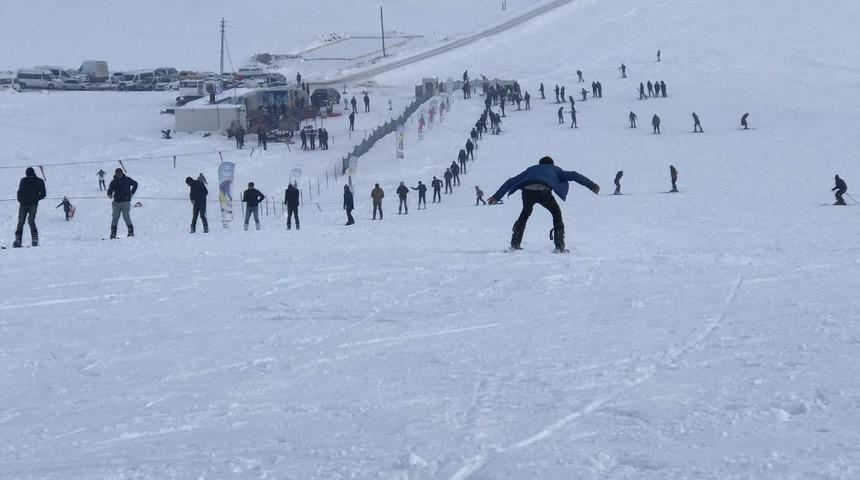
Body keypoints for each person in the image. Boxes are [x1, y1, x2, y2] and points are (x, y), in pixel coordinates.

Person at [487, 156, 599, 252]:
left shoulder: (531, 169)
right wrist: (591, 185)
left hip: (527, 191)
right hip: (543, 191)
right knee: (556, 213)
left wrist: (496, 196)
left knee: (525, 214)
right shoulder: (555, 169)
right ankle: (559, 244)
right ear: (552, 164)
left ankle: (515, 242)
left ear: (540, 164)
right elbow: (574, 175)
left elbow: (511, 180)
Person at [12, 167, 46, 247]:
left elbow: (43, 194)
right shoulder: (27, 181)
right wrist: (22, 199)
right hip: (27, 204)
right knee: (27, 221)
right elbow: (19, 192)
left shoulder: (34, 181)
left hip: (28, 204)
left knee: (25, 221)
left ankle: (21, 240)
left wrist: (33, 199)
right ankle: (27, 240)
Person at [106, 168, 137, 239]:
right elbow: (109, 190)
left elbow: (135, 184)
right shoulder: (113, 182)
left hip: (126, 202)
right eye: (117, 174)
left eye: (120, 173)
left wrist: (132, 192)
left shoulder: (127, 179)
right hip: (116, 202)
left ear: (122, 173)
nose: (119, 175)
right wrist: (109, 194)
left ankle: (130, 232)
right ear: (115, 174)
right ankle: (113, 234)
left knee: (126, 216)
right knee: (115, 217)